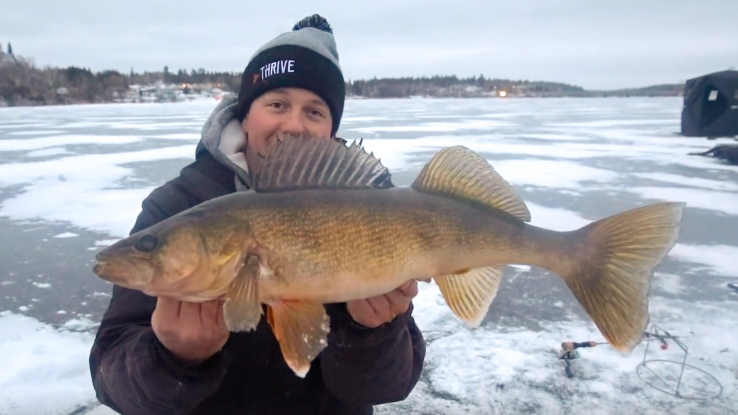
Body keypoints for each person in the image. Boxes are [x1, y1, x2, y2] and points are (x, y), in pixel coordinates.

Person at [88, 14, 426, 415]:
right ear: (245, 115)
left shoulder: (368, 208)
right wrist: (173, 358)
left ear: (332, 129)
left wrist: (373, 332)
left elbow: (388, 385)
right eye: (277, 104)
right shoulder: (178, 205)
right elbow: (111, 378)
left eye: (315, 111)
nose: (294, 125)